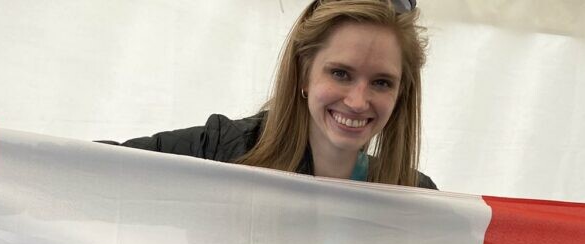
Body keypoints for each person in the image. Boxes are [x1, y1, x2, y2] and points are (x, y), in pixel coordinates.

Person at [113, 0, 436, 189]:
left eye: (381, 82)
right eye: (340, 73)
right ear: (304, 73)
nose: (357, 101)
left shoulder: (417, 198)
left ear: (401, 92)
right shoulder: (220, 151)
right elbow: (95, 175)